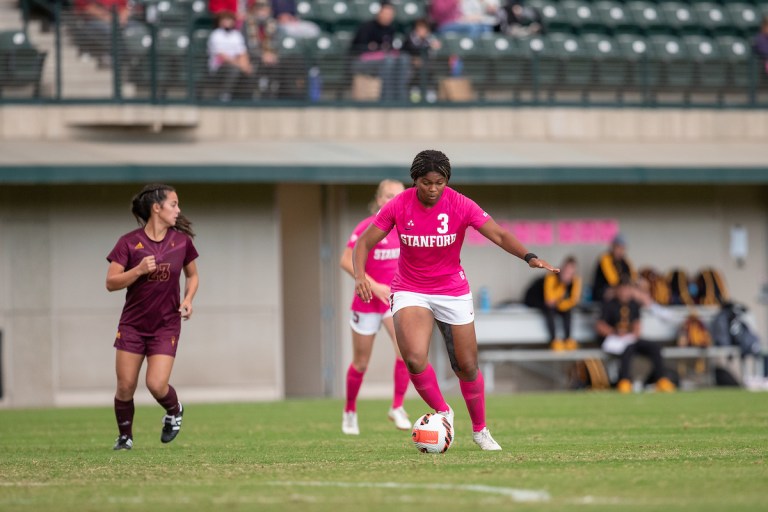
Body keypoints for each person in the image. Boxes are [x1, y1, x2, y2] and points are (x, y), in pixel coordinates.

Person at [352, 149, 559, 451]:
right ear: (415, 180)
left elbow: (499, 235)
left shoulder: (460, 203)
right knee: (413, 356)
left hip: (452, 289)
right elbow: (364, 242)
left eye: (439, 182)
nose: (433, 189)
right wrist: (360, 276)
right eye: (426, 182)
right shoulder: (399, 205)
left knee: (466, 366)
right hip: (411, 288)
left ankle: (480, 430)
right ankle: (444, 412)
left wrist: (529, 257)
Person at [106, 184, 199, 450]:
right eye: (174, 204)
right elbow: (111, 283)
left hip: (165, 325)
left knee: (156, 385)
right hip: (133, 326)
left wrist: (188, 299)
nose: (178, 210)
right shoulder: (128, 242)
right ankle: (125, 438)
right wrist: (137, 270)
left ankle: (174, 409)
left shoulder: (182, 242)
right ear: (156, 208)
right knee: (125, 387)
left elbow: (192, 275)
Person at [339, 179, 410, 435]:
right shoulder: (367, 227)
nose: (394, 200)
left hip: (393, 301)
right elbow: (346, 261)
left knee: (406, 351)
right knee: (360, 363)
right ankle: (349, 411)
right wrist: (375, 285)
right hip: (367, 301)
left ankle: (397, 406)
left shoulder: (406, 227)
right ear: (379, 200)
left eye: (399, 196)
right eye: (389, 196)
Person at [595, 277, 676, 394]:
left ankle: (661, 379)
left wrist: (631, 334)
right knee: (627, 348)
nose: (625, 292)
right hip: (613, 339)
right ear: (618, 290)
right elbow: (600, 326)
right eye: (622, 289)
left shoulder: (633, 304)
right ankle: (624, 381)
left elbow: (637, 326)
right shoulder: (609, 304)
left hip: (629, 338)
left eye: (627, 289)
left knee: (654, 347)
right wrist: (615, 332)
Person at [350, 0, 412, 102]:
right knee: (389, 60)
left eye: (390, 14)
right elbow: (358, 49)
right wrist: (375, 48)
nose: (388, 16)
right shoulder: (367, 27)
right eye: (386, 13)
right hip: (360, 62)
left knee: (404, 58)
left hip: (384, 59)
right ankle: (386, 99)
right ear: (379, 12)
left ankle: (401, 97)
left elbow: (389, 47)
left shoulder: (391, 29)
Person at [524, 256, 581, 351]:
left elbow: (573, 300)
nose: (567, 274)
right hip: (535, 297)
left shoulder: (575, 280)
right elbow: (549, 300)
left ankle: (568, 339)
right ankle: (554, 340)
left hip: (556, 302)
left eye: (570, 272)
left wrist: (561, 304)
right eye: (566, 271)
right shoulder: (551, 276)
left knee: (567, 311)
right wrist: (562, 285)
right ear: (562, 268)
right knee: (549, 310)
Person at [208, 10, 255, 101]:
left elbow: (242, 53)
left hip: (237, 65)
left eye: (229, 20)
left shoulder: (236, 35)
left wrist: (246, 66)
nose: (227, 22)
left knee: (251, 68)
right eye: (224, 20)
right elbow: (222, 56)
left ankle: (246, 98)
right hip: (219, 68)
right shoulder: (216, 35)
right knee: (233, 69)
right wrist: (240, 65)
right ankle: (225, 94)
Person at [591, 233, 636, 303]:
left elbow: (633, 277)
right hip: (603, 292)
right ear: (613, 247)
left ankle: (650, 309)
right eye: (618, 247)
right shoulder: (605, 258)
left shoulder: (625, 261)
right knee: (628, 292)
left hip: (621, 289)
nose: (620, 251)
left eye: (623, 248)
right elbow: (613, 281)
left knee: (636, 290)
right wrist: (627, 286)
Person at [430, 0, 500, 39]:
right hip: (443, 25)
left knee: (485, 27)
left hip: (459, 22)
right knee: (472, 27)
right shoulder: (439, 1)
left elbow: (461, 15)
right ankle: (470, 49)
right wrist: (454, 2)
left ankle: (484, 51)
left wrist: (470, 18)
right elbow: (439, 14)